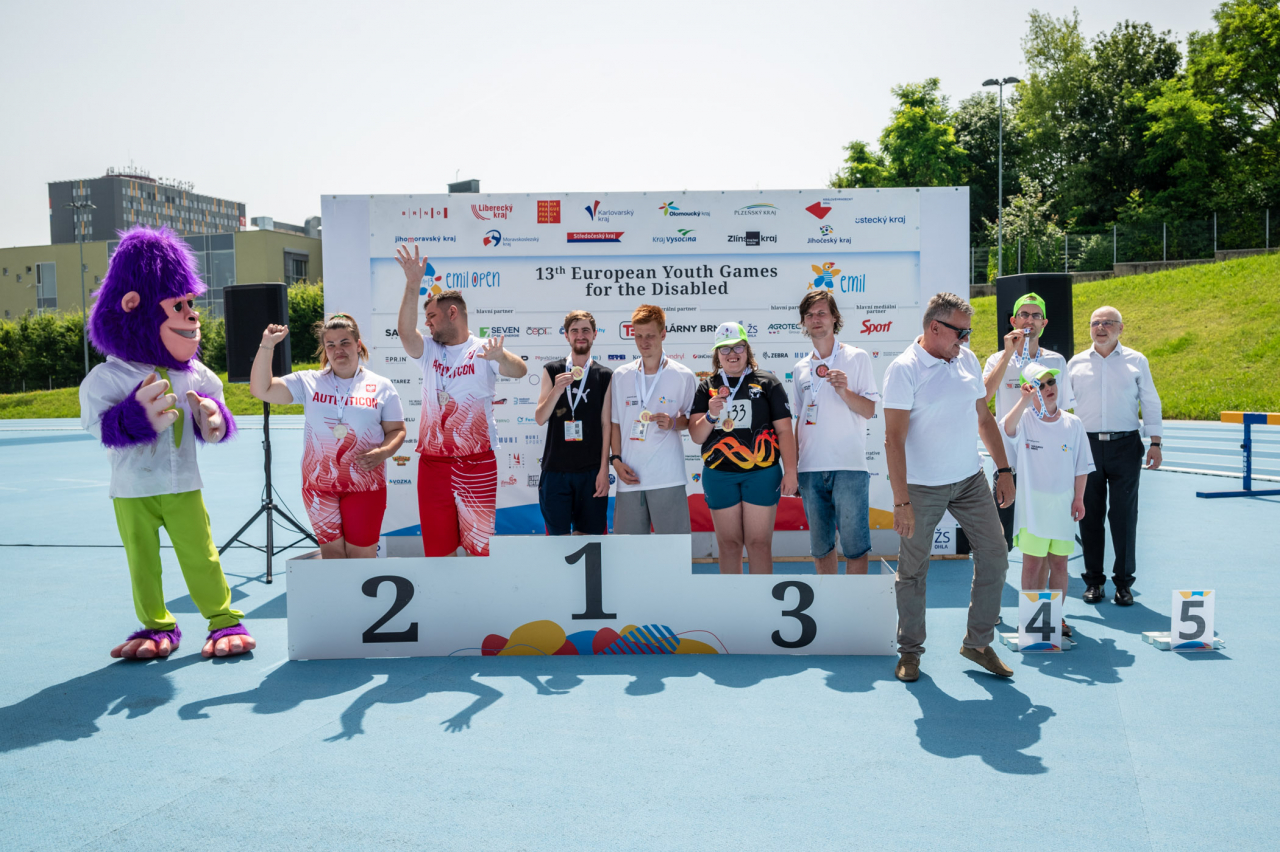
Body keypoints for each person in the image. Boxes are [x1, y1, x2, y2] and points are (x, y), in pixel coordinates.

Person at [882, 292, 1016, 683]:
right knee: (912, 571)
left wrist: (1004, 469)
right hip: (921, 488)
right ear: (934, 327)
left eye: (968, 332)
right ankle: (910, 652)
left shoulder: (967, 359)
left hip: (970, 480)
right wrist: (901, 500)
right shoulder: (904, 369)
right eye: (961, 332)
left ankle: (978, 644)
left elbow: (983, 418)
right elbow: (893, 439)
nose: (966, 339)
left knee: (996, 554)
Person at [395, 244, 527, 556]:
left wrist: (501, 356)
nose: (427, 323)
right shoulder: (429, 350)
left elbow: (520, 370)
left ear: (452, 313)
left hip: (477, 463)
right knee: (438, 551)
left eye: (431, 316)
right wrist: (413, 283)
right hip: (433, 465)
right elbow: (406, 333)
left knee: (480, 549)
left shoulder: (484, 349)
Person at [250, 315, 406, 558]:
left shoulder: (381, 385)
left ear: (358, 344)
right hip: (318, 486)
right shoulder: (308, 381)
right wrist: (267, 344)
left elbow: (396, 430)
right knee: (332, 555)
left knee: (361, 555)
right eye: (330, 345)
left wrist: (383, 452)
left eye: (345, 342)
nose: (338, 350)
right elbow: (262, 389)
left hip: (365, 484)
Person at [1067, 306, 1163, 606]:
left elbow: (1150, 400)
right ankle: (1094, 581)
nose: (1101, 327)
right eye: (1095, 322)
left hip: (1126, 446)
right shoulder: (1075, 363)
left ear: (1121, 328)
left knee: (1124, 516)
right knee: (1089, 516)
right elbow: (1061, 406)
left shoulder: (1137, 360)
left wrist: (1155, 442)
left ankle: (1123, 583)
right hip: (1087, 446)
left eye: (1108, 323)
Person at [689, 322, 797, 574]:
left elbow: (784, 431)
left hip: (761, 472)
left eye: (738, 347)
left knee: (759, 544)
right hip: (720, 474)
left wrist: (791, 472)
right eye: (725, 349)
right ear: (717, 354)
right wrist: (711, 415)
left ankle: (760, 598)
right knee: (729, 545)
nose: (732, 354)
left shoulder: (768, 382)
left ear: (747, 349)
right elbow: (696, 435)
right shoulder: (707, 386)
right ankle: (734, 598)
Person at [1001, 363, 1094, 637]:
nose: (1048, 389)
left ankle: (1054, 618)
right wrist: (1023, 400)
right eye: (1040, 385)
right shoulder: (1025, 419)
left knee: (1060, 564)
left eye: (1051, 382)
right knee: (1032, 564)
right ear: (1030, 390)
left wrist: (1079, 499)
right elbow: (1006, 428)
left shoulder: (1073, 423)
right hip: (1033, 507)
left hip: (1063, 506)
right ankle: (1030, 619)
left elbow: (1081, 466)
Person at [792, 291, 880, 575]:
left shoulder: (857, 357)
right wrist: (793, 468)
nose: (815, 319)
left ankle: (852, 605)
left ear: (834, 318)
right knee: (821, 549)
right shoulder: (800, 368)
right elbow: (799, 420)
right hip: (810, 469)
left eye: (821, 313)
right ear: (804, 323)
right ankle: (829, 603)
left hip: (849, 467)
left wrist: (844, 391)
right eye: (809, 315)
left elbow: (869, 410)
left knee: (856, 548)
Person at [982, 292, 1077, 551]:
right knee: (1000, 542)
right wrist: (1007, 354)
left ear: (1044, 323)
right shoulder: (997, 359)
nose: (1029, 320)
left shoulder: (1056, 361)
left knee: (1042, 543)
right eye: (1023, 314)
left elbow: (1064, 413)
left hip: (1045, 464)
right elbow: (983, 397)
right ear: (1013, 321)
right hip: (1008, 462)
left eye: (1036, 315)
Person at [609, 304, 698, 535]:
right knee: (629, 551)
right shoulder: (620, 375)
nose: (643, 342)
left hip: (668, 477)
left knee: (673, 550)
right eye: (638, 336)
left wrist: (673, 423)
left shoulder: (683, 375)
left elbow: (691, 421)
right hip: (630, 478)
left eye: (649, 335)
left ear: (663, 334)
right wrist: (616, 461)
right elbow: (615, 424)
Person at [534, 310, 613, 535]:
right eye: (575, 331)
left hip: (591, 472)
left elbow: (606, 425)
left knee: (588, 538)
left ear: (595, 334)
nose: (580, 335)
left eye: (586, 330)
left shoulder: (605, 375)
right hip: (555, 471)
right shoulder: (553, 370)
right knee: (557, 540)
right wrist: (557, 390)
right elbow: (540, 418)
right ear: (566, 335)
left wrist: (604, 470)